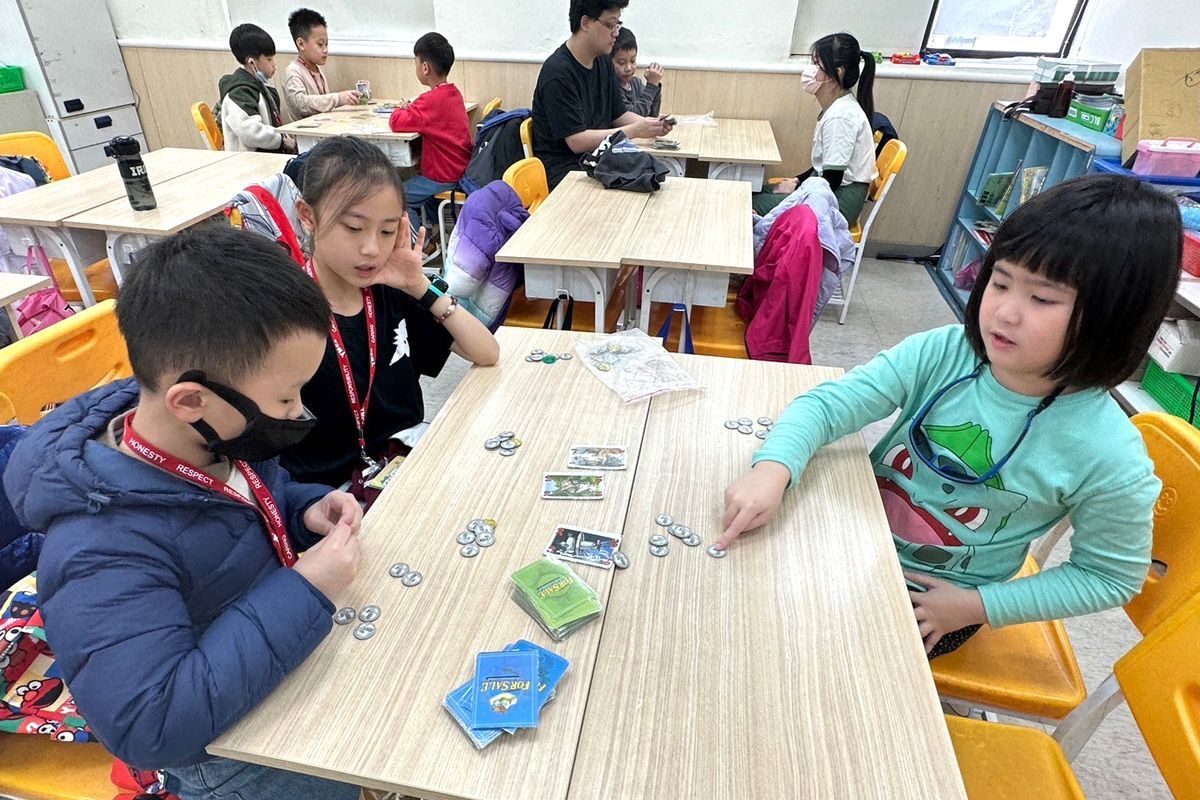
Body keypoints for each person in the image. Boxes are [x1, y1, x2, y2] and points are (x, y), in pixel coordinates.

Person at [720, 174, 1181, 658]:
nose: (1004, 312)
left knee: (800, 653)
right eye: (1000, 282)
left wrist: (976, 606)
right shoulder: (946, 351)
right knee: (738, 588)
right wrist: (773, 467)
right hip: (855, 537)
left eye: (1042, 298)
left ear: (1116, 318)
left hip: (933, 603)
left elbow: (1108, 577)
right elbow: (827, 404)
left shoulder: (1109, 453)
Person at [3, 225, 365, 799]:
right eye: (285, 398)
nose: (298, 413)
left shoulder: (212, 433)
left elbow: (245, 506)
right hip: (236, 762)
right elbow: (150, 727)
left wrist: (303, 511)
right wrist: (305, 588)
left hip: (282, 679)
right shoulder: (100, 548)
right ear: (191, 400)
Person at [282, 136, 499, 491]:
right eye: (354, 228)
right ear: (308, 216)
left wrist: (420, 286)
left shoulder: (391, 291)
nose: (371, 249)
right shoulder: (284, 312)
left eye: (386, 231)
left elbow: (486, 352)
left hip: (403, 466)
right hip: (326, 495)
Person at [531, 0, 673, 189]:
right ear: (585, 23)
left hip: (599, 160)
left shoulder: (603, 61)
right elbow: (576, 141)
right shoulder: (558, 73)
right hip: (566, 174)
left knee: (657, 178)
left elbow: (619, 115)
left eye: (618, 24)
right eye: (611, 24)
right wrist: (635, 130)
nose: (616, 33)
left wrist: (651, 125)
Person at [752, 32, 877, 224]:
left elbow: (832, 179)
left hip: (837, 201)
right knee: (753, 192)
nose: (809, 70)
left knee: (748, 203)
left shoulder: (840, 117)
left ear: (838, 72)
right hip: (826, 189)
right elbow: (825, 167)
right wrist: (796, 181)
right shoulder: (837, 108)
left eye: (816, 64)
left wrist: (797, 190)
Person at [388, 32, 473, 232]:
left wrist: (400, 108)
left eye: (416, 63)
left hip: (443, 175)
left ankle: (421, 243)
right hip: (459, 168)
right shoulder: (453, 93)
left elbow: (396, 122)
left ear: (425, 67)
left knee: (399, 196)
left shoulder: (430, 100)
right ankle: (429, 233)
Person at [217, 23, 296, 154]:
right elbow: (250, 133)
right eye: (269, 59)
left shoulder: (258, 87)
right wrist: (281, 140)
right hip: (251, 161)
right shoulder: (239, 92)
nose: (274, 64)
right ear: (252, 62)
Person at [282, 7, 361, 119]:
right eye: (320, 44)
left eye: (326, 44)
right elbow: (300, 104)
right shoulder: (293, 71)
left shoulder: (318, 70)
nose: (325, 50)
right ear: (301, 44)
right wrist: (338, 99)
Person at [610, 27, 662, 117]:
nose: (628, 68)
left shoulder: (636, 83)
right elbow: (634, 116)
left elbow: (652, 114)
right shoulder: (612, 88)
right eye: (621, 63)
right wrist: (651, 86)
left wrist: (655, 86)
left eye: (633, 61)